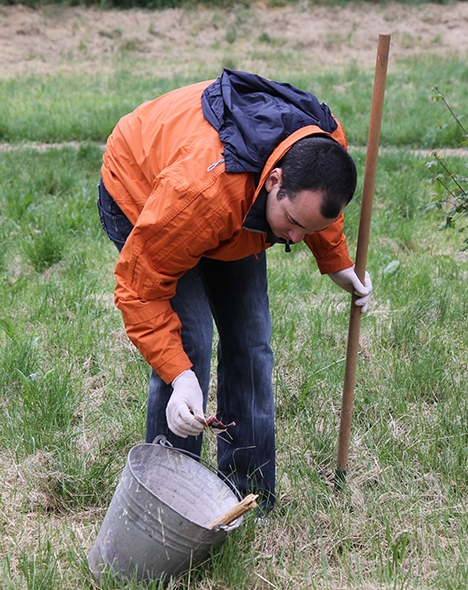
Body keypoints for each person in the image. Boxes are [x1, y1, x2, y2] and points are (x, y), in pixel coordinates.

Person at [98, 69, 372, 511]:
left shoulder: (321, 147)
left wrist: (337, 262)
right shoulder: (200, 193)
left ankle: (248, 497)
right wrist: (181, 378)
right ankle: (168, 504)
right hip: (142, 185)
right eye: (293, 225)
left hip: (231, 201)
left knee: (250, 340)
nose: (295, 239)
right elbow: (141, 290)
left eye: (306, 231)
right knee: (190, 342)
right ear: (275, 180)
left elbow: (315, 209)